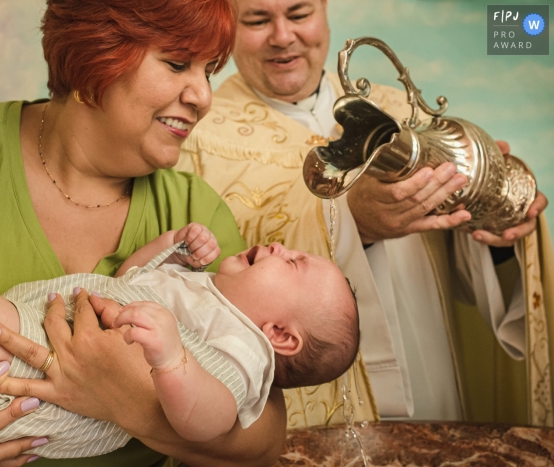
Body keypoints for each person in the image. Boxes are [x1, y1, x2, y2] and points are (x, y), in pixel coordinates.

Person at [0, 0, 291, 466]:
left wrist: (121, 399)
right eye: (178, 63)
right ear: (95, 54)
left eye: (209, 71)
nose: (203, 96)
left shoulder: (193, 219)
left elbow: (261, 438)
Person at [175, 0, 554, 428]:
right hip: (309, 406)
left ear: (324, 11)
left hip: (431, 367)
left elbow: (460, 249)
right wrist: (352, 222)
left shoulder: (401, 112)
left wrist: (497, 229)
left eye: (299, 15)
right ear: (228, 27)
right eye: (258, 20)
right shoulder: (197, 137)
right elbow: (195, 279)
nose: (282, 37)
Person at [0, 223, 359, 458]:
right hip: (33, 348)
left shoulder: (238, 346)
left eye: (293, 262)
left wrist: (170, 360)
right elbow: (133, 279)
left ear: (279, 335)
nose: (278, 245)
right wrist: (169, 248)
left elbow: (213, 420)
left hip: (43, 380)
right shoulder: (202, 291)